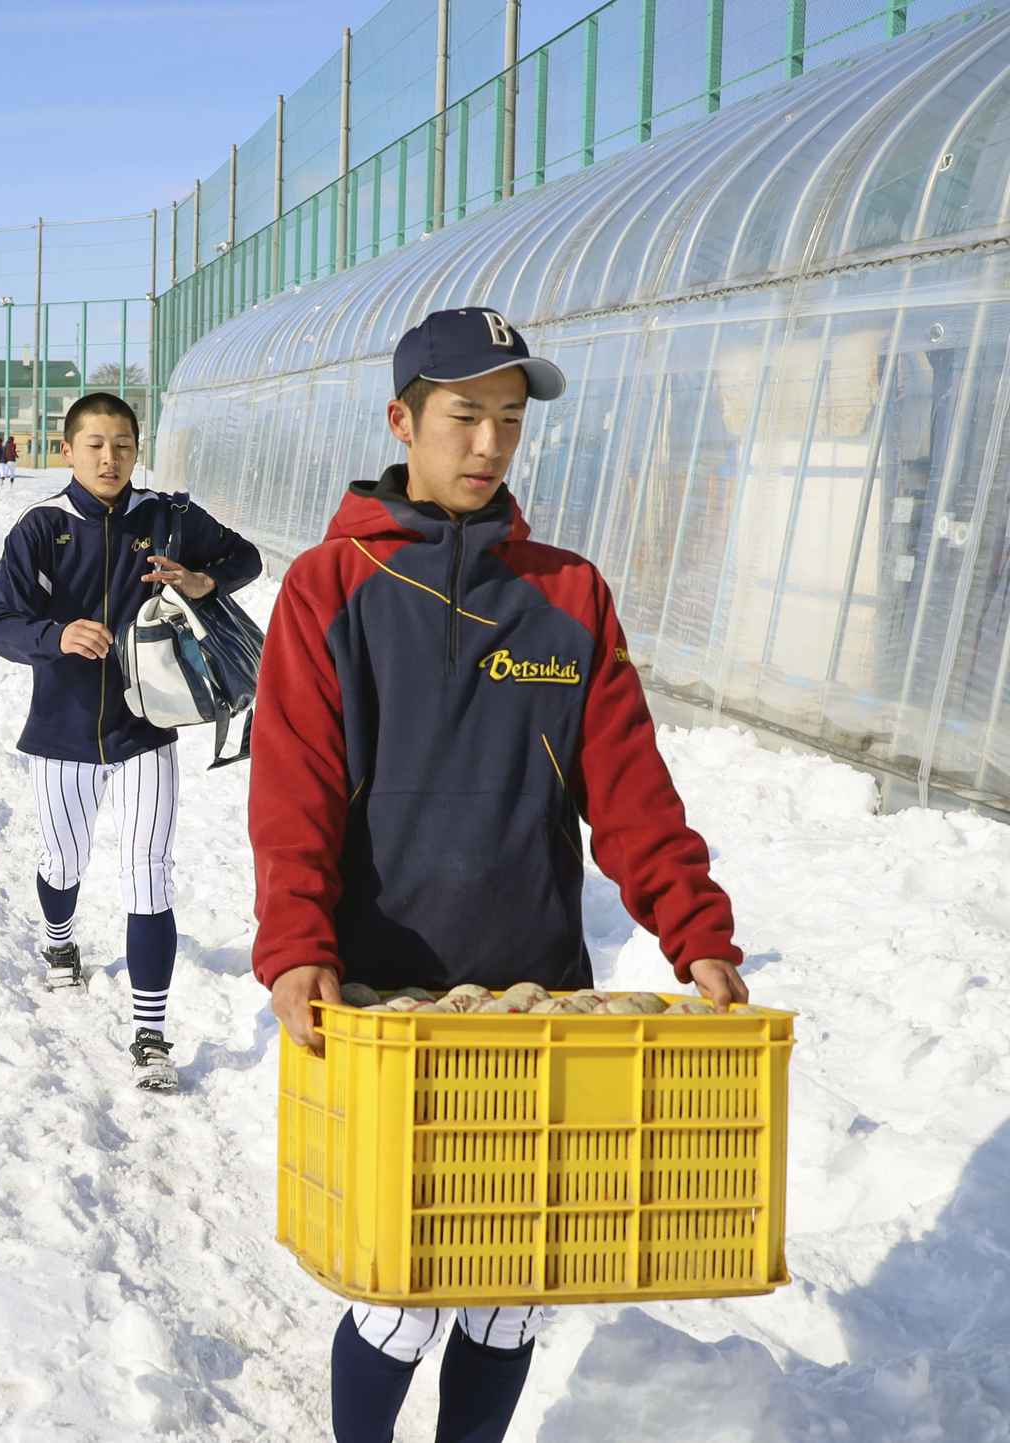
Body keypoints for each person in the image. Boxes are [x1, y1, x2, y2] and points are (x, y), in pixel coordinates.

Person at [247, 308, 749, 1442]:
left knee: (514, 1287)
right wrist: (298, 948)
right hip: (385, 994)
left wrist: (696, 931)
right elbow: (294, 795)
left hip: (535, 994)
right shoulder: (334, 588)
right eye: (465, 416)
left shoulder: (568, 594)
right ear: (403, 421)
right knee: (405, 1293)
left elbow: (629, 786)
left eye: (510, 423)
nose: (488, 445)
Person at [0, 392, 262, 1088]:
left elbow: (247, 558)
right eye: (96, 444)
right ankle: (58, 941)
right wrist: (56, 635)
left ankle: (150, 1033)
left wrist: (203, 579)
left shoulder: (167, 518)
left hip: (147, 730)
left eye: (124, 444)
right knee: (63, 859)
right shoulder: (42, 528)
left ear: (138, 450)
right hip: (62, 732)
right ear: (68, 449)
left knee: (148, 874)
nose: (110, 458)